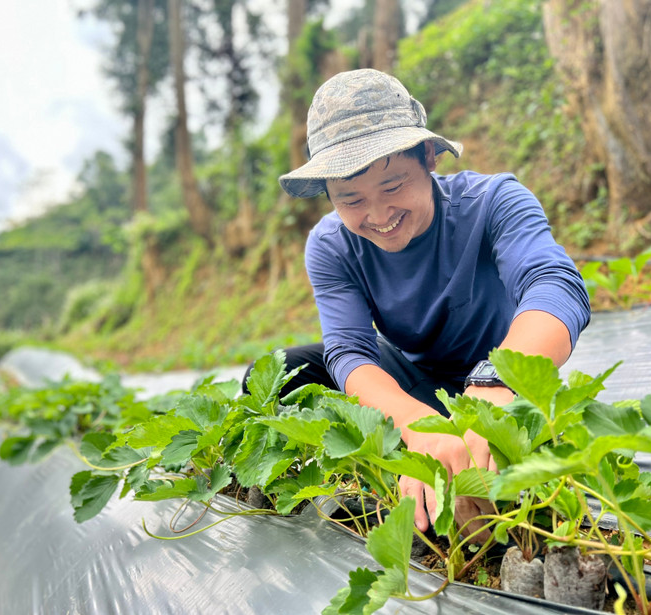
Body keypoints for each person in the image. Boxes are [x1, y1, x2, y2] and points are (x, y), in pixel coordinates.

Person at [244, 68, 590, 537]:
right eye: (352, 200)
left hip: (506, 387)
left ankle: (439, 474)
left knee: (516, 504)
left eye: (392, 186)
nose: (380, 215)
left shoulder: (494, 202)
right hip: (415, 386)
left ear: (428, 157)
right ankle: (381, 483)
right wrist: (415, 423)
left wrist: (496, 386)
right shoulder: (332, 246)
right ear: (329, 195)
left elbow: (555, 285)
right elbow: (348, 349)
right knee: (286, 372)